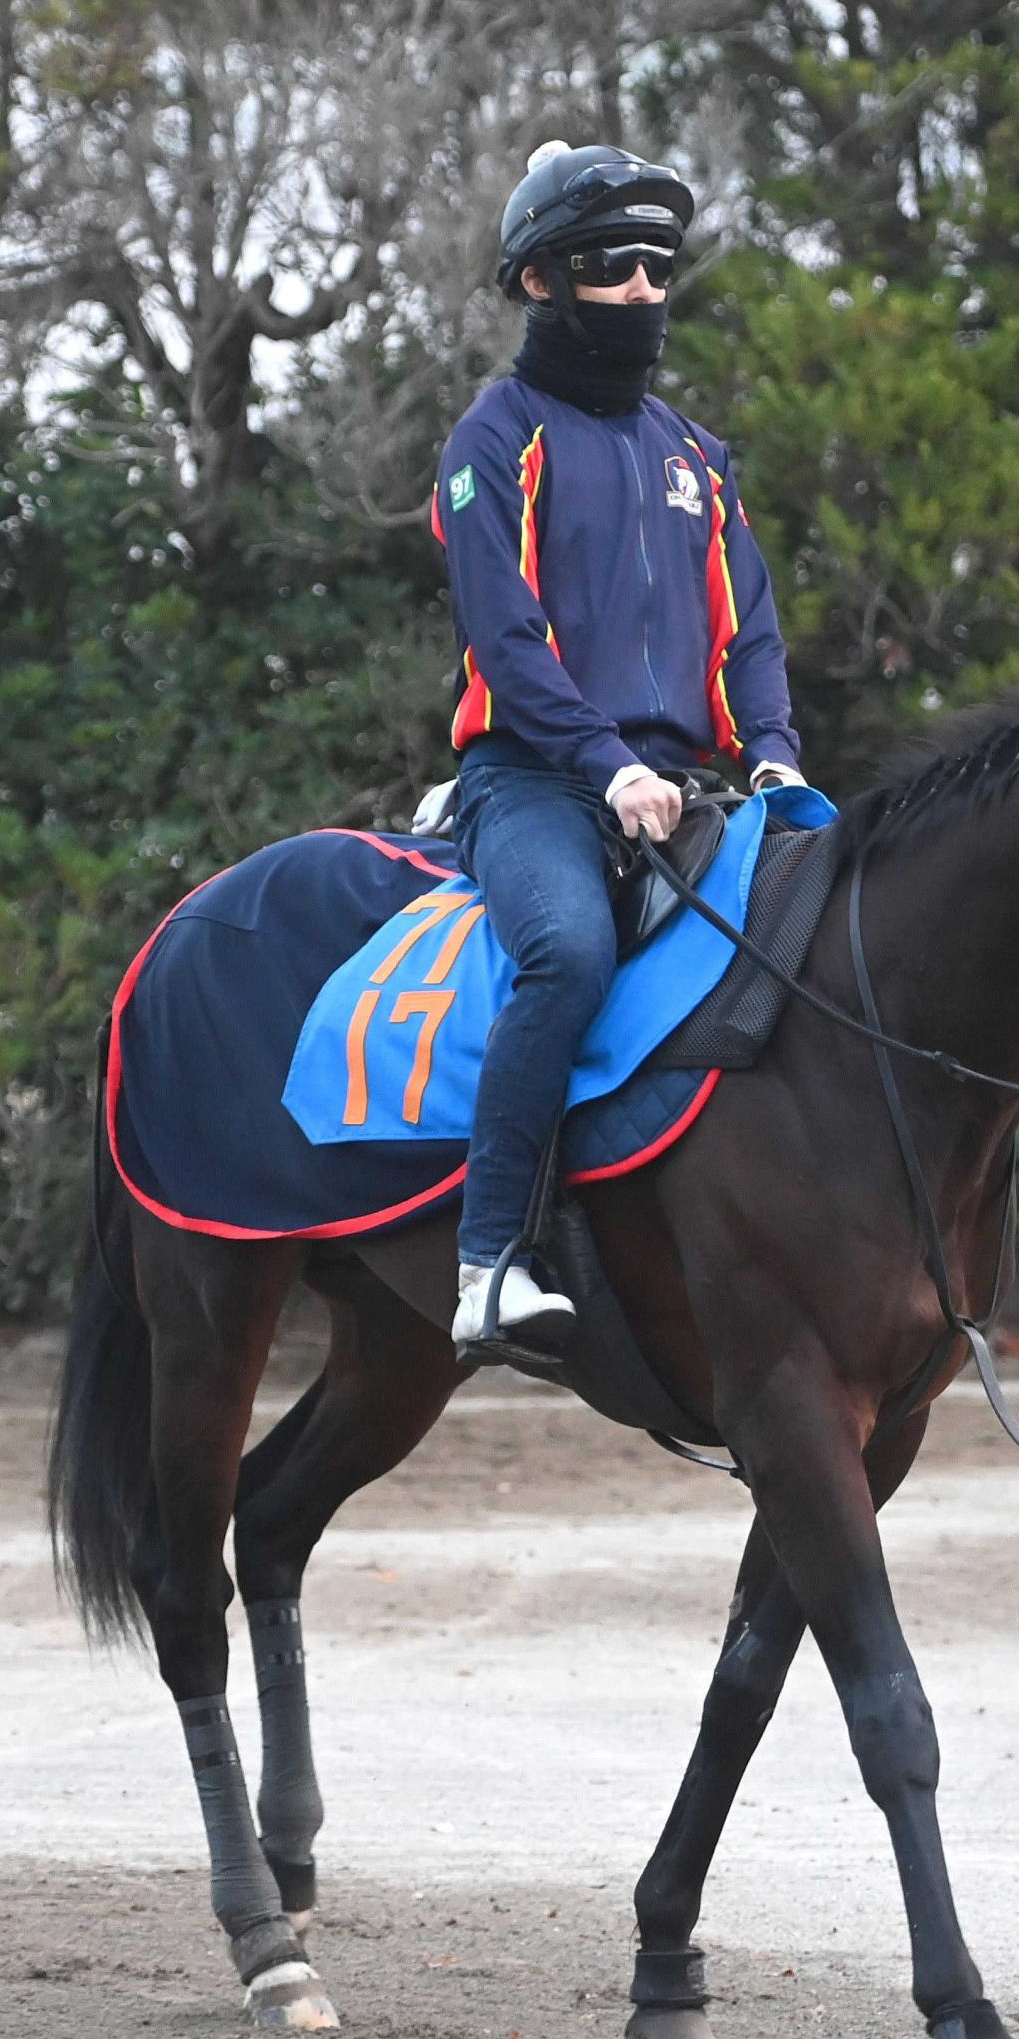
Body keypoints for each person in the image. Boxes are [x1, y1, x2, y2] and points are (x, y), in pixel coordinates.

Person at [430, 140, 806, 1352]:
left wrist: (775, 753)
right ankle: (489, 1259)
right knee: (569, 953)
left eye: (658, 263)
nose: (643, 288)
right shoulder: (493, 441)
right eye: (611, 264)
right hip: (532, 781)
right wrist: (609, 765)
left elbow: (747, 630)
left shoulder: (699, 457)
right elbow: (507, 639)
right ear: (539, 281)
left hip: (687, 786)